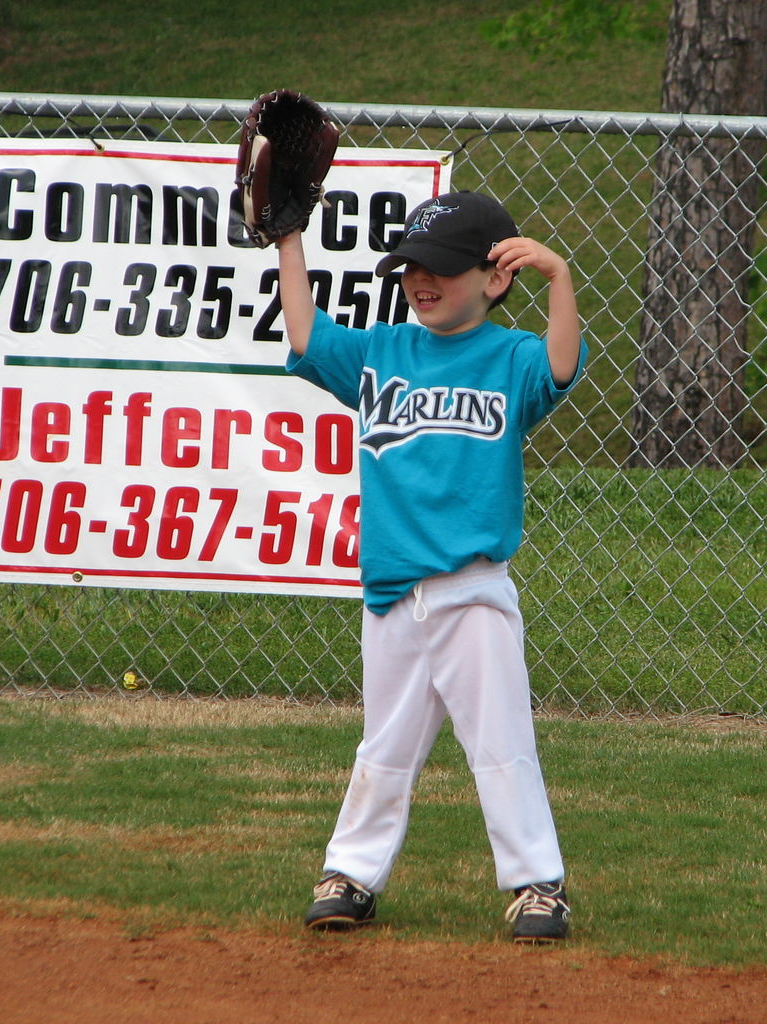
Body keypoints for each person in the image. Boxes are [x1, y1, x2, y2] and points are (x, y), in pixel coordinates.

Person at [275, 189, 586, 943]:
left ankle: (535, 884)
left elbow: (561, 362)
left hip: (472, 588)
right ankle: (350, 873)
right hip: (389, 591)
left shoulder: (510, 357)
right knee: (383, 746)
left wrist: (560, 277)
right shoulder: (382, 351)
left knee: (500, 740)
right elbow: (307, 333)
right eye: (411, 266)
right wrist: (288, 237)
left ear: (495, 277)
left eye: (441, 268)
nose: (421, 280)